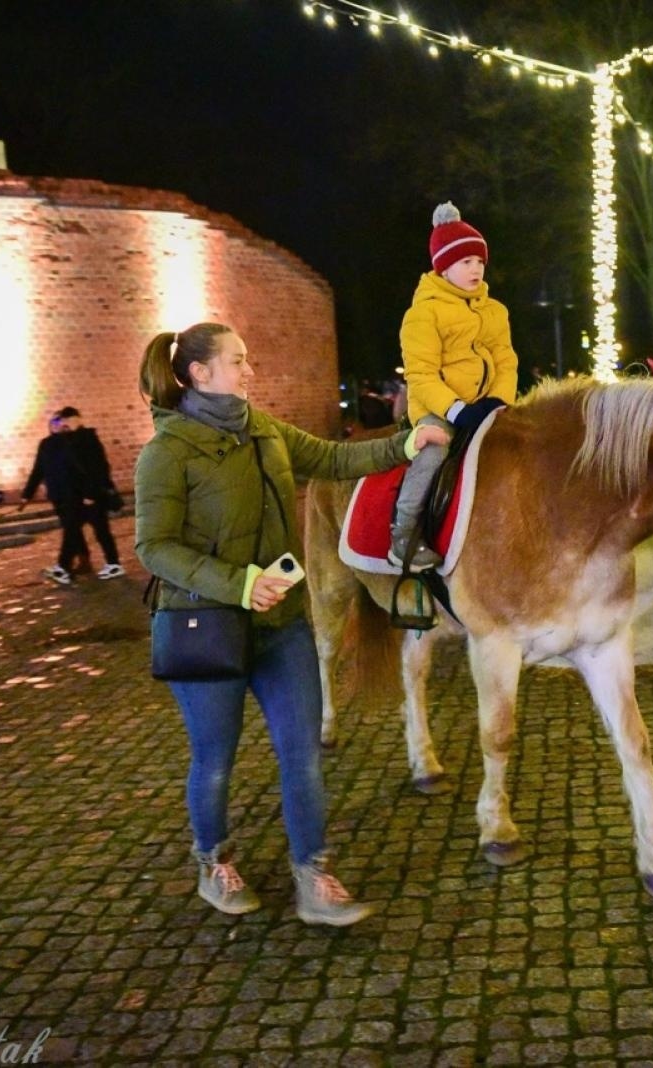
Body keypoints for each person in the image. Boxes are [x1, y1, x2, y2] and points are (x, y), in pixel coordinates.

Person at [134, 322, 447, 926]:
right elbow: (155, 548)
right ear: (200, 373)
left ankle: (313, 875)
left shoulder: (262, 428)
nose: (249, 371)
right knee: (215, 760)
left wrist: (404, 446)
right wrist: (240, 584)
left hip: (282, 626)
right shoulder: (166, 452)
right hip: (205, 629)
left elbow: (332, 459)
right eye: (238, 361)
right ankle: (213, 862)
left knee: (301, 755)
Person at [390, 201, 519, 568]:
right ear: (444, 267)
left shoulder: (495, 310)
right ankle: (404, 531)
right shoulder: (422, 313)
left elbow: (506, 360)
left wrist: (498, 401)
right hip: (440, 409)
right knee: (433, 451)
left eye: (479, 261)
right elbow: (421, 374)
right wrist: (456, 410)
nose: (476, 268)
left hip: (488, 404)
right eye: (466, 262)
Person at [22, 406, 124, 584]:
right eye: (56, 421)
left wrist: (90, 493)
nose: (60, 424)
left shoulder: (84, 439)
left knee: (96, 530)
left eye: (62, 421)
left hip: (85, 496)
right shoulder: (53, 443)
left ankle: (70, 567)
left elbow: (97, 468)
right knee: (75, 531)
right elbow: (38, 470)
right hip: (68, 496)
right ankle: (72, 566)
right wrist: (27, 494)